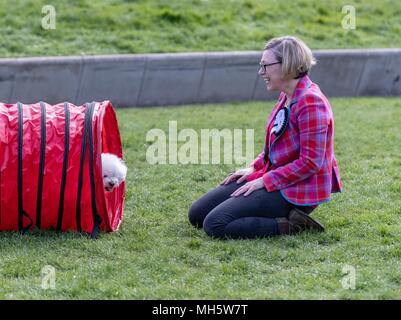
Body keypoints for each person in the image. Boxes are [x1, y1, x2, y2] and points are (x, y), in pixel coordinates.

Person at [188, 36, 342, 239]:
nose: (261, 72)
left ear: (287, 66)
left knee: (215, 225)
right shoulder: (287, 96)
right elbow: (276, 147)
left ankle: (293, 224)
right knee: (197, 214)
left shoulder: (311, 102)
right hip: (276, 175)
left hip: (297, 190)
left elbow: (310, 163)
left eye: (265, 66)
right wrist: (254, 167)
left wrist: (264, 180)